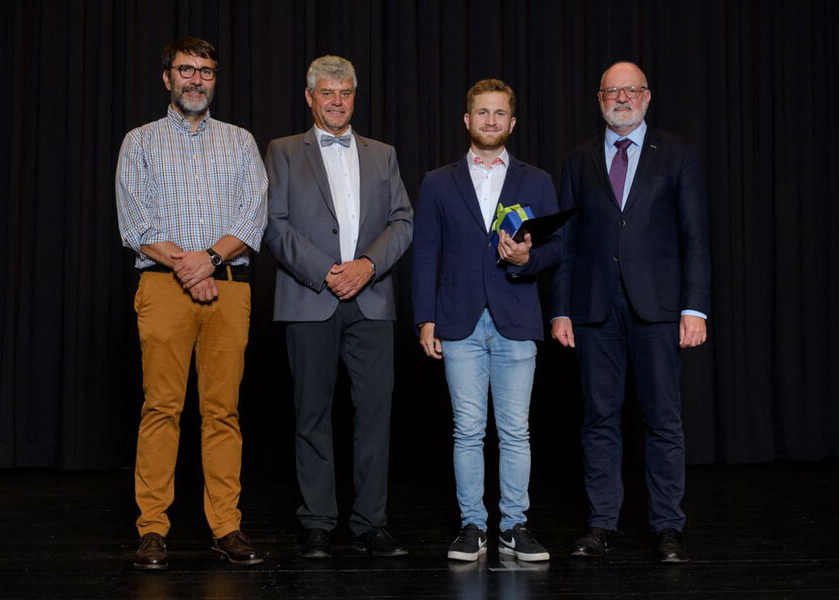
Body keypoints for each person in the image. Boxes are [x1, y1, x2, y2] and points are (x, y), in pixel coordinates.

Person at [116, 37, 267, 570]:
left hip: (229, 287)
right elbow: (134, 224)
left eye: (205, 72)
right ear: (167, 79)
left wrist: (206, 260)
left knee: (222, 412)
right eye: (186, 70)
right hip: (162, 288)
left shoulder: (240, 141)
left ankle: (226, 526)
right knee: (161, 409)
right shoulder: (140, 142)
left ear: (214, 80)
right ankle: (153, 529)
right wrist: (189, 267)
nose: (196, 80)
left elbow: (253, 218)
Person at [551, 61, 711, 563]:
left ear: (646, 96)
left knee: (663, 419)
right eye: (611, 91)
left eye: (630, 90)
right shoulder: (578, 161)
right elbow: (566, 243)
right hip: (595, 309)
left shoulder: (678, 154)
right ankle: (602, 524)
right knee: (599, 418)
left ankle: (667, 527)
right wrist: (560, 310)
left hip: (660, 309)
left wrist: (695, 308)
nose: (621, 98)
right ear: (599, 98)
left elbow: (695, 238)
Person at [263, 55, 413, 559]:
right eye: (327, 92)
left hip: (371, 300)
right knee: (312, 414)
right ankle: (318, 523)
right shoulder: (283, 151)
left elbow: (402, 221)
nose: (336, 101)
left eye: (345, 92)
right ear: (309, 97)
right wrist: (329, 271)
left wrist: (367, 266)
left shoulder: (383, 153)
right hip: (310, 298)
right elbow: (273, 225)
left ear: (354, 96)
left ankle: (371, 522)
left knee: (374, 414)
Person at [412, 78, 561, 562]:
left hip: (516, 316)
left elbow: (558, 248)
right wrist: (425, 319)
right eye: (482, 113)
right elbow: (425, 254)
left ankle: (514, 525)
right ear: (467, 120)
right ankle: (472, 524)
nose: (490, 121)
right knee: (467, 429)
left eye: (500, 113)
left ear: (512, 123)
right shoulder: (438, 181)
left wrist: (525, 261)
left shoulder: (537, 181)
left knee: (516, 430)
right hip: (458, 321)